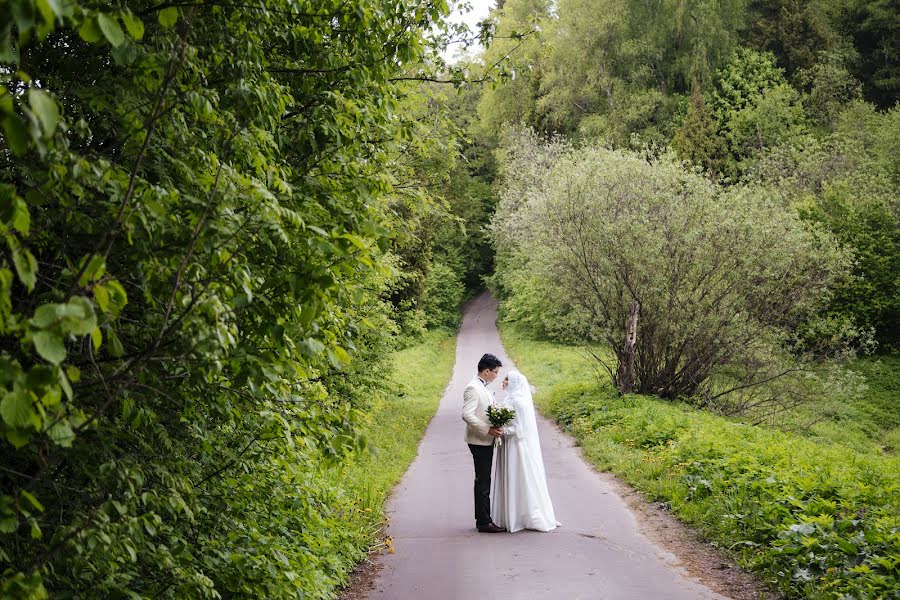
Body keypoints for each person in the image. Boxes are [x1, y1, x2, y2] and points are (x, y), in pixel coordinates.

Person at [491, 370, 560, 532]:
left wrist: (502, 430)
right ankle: (510, 513)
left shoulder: (518, 401)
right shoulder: (510, 398)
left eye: (507, 379)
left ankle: (522, 514)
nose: (503, 382)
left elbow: (519, 428)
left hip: (516, 446)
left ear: (514, 382)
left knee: (519, 477)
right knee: (514, 477)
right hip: (508, 444)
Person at [461, 353, 506, 533]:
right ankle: (484, 521)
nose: (496, 375)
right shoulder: (473, 388)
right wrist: (487, 429)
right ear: (486, 371)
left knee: (484, 479)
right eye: (495, 372)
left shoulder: (484, 386)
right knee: (482, 481)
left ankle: (483, 519)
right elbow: (467, 414)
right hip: (479, 440)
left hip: (486, 439)